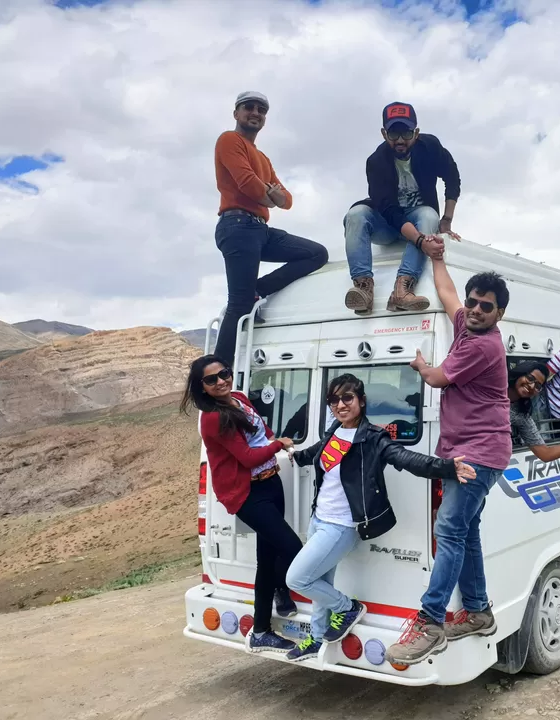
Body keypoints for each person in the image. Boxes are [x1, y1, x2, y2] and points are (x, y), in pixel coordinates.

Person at [283, 374, 475, 661]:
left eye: (347, 398)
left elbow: (406, 458)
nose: (340, 405)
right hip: (319, 519)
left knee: (297, 579)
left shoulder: (373, 438)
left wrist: (446, 468)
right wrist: (291, 453)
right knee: (320, 580)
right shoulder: (335, 430)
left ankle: (347, 608)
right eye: (333, 400)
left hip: (341, 526)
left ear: (361, 400)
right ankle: (316, 636)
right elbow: (316, 454)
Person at [385, 256, 511, 666]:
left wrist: (421, 364)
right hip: (468, 449)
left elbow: (437, 378)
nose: (475, 309)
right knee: (467, 529)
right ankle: (477, 611)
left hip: (480, 452)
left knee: (450, 530)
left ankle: (431, 622)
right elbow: (447, 293)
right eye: (474, 302)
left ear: (499, 314)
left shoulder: (484, 344)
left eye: (485, 306)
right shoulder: (467, 324)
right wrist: (437, 259)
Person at [181, 355, 301, 653]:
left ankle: (262, 630)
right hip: (247, 494)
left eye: (224, 373)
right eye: (212, 379)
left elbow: (261, 430)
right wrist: (279, 444)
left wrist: (273, 438)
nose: (221, 381)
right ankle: (287, 591)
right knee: (292, 548)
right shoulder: (212, 418)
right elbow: (247, 457)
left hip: (271, 482)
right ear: (202, 387)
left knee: (268, 557)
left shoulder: (239, 398)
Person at [213, 91, 329, 365]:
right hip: (237, 225)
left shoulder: (262, 157)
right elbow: (247, 183)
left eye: (261, 110)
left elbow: (286, 200)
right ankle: (216, 376)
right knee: (239, 306)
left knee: (316, 254)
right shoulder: (229, 140)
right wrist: (270, 196)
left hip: (259, 229)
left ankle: (255, 289)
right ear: (236, 114)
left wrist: (271, 196)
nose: (255, 113)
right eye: (249, 108)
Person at [342, 101, 461, 316]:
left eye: (406, 133)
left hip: (420, 218)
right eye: (393, 134)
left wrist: (446, 220)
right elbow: (389, 211)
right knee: (356, 214)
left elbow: (452, 178)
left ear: (416, 132)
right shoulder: (376, 162)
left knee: (428, 214)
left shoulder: (431, 147)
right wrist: (419, 241)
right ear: (383, 133)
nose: (399, 141)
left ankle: (402, 289)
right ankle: (363, 288)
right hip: (387, 224)